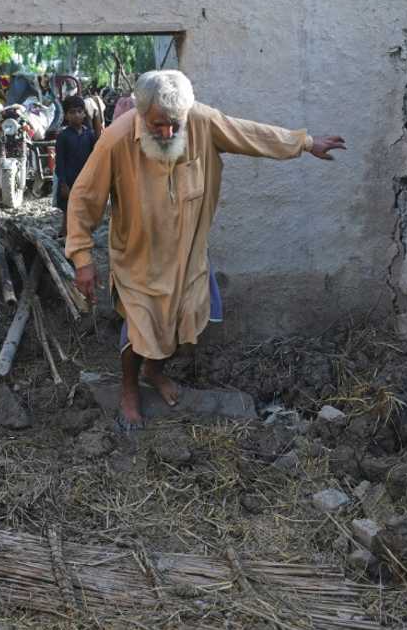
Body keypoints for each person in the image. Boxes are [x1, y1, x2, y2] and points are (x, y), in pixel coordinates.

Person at [65, 70, 345, 428]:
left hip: (188, 254)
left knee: (186, 325)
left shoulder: (202, 121)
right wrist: (83, 259)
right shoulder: (116, 139)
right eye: (157, 125)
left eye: (174, 125)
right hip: (138, 258)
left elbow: (250, 134)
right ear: (140, 114)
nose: (167, 133)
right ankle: (130, 389)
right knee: (140, 331)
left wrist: (304, 143)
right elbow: (83, 198)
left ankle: (155, 371)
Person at [53, 95, 97, 238]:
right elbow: (59, 161)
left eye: (79, 111)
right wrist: (63, 183)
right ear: (66, 115)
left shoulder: (89, 135)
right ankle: (64, 232)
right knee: (68, 207)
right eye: (72, 112)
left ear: (84, 113)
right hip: (69, 178)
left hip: (85, 177)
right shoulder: (63, 136)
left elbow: (94, 157)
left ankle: (82, 233)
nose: (76, 115)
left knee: (84, 206)